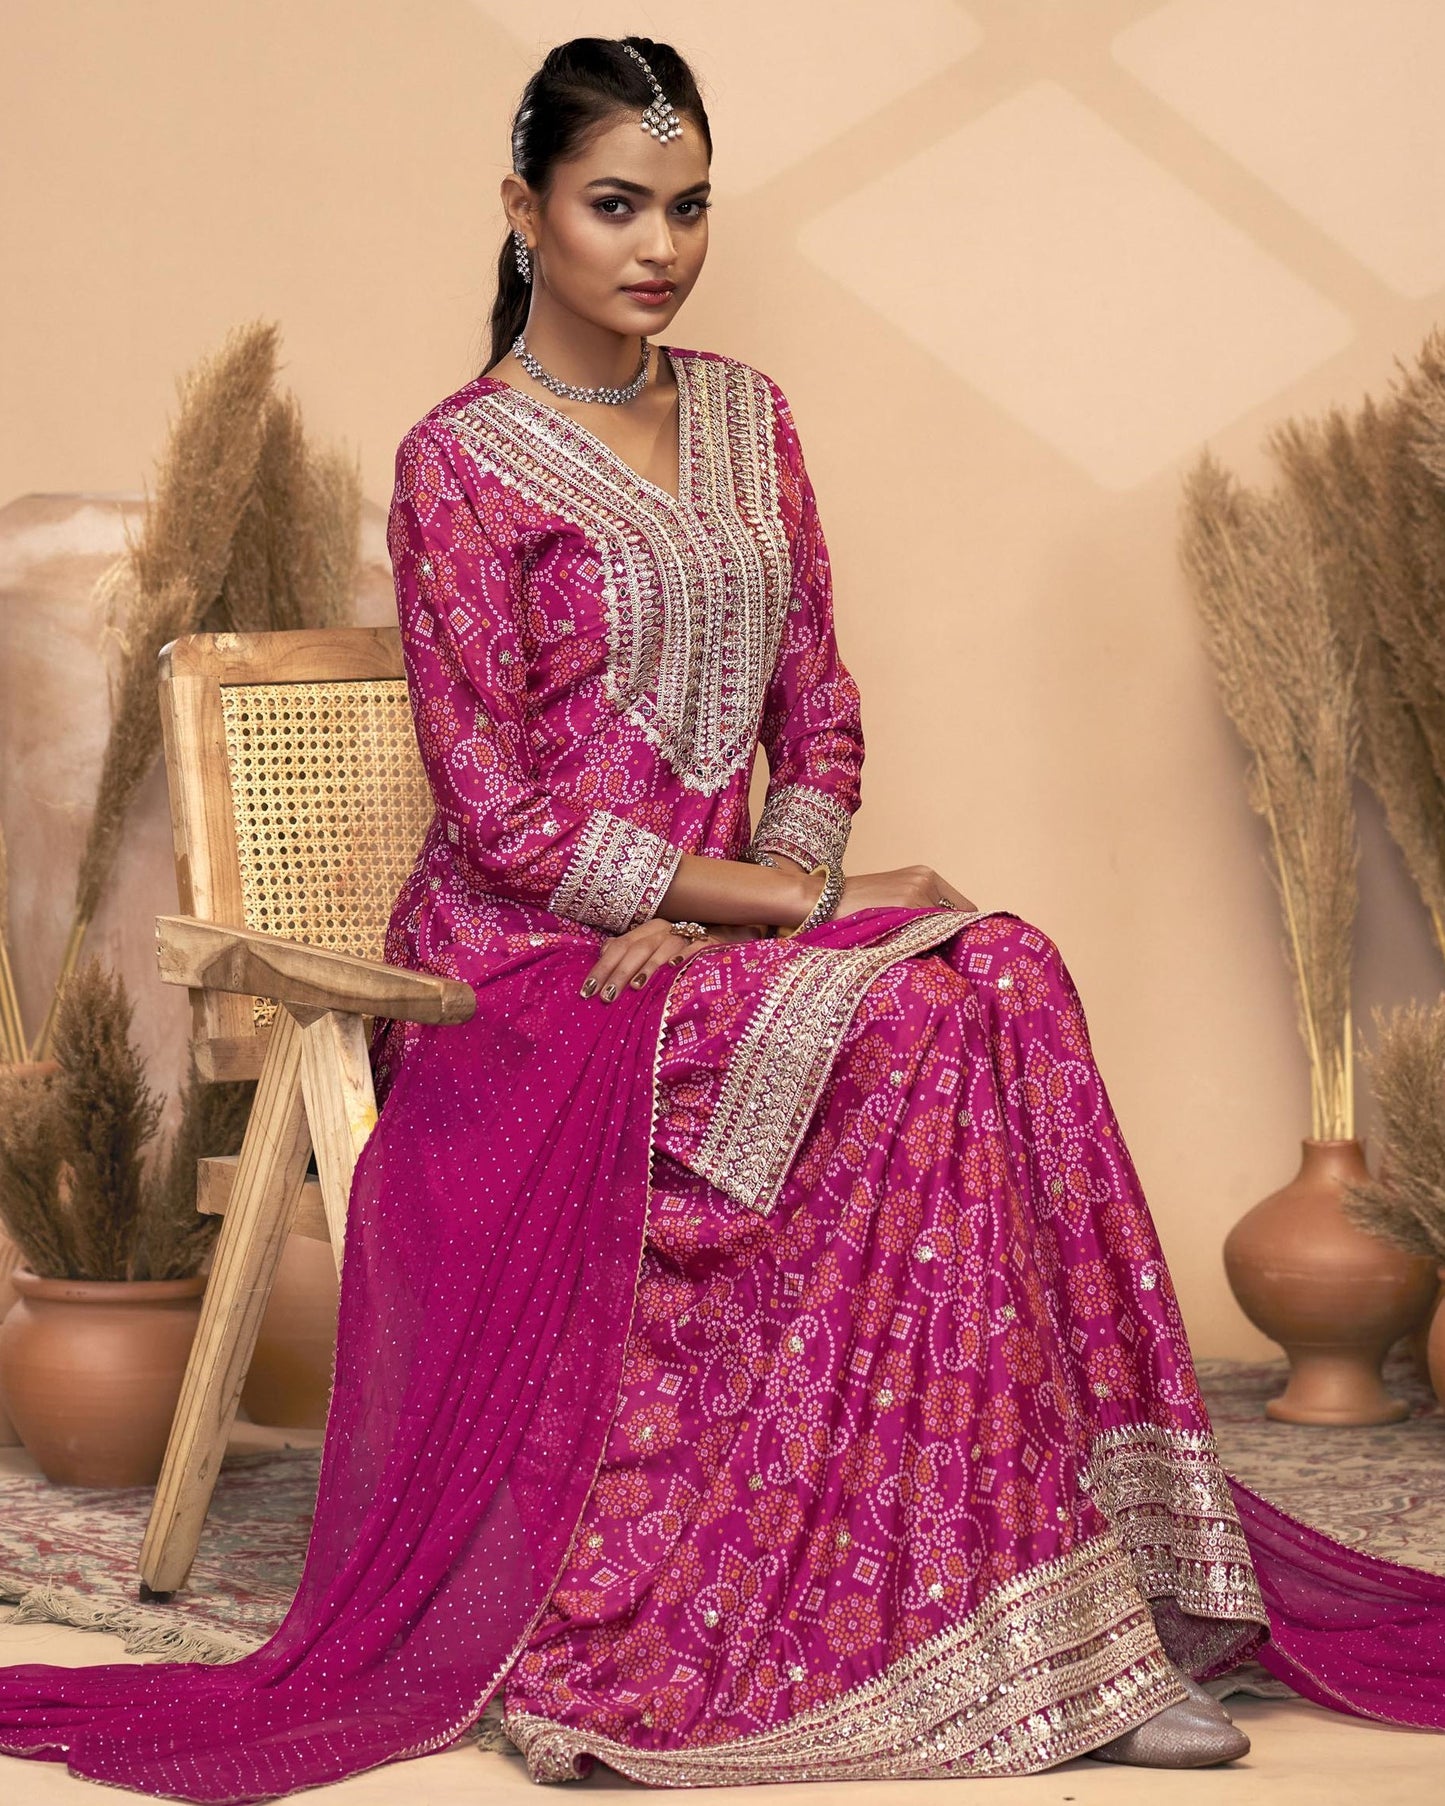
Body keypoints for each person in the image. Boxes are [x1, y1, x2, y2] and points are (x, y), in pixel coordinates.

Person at [1, 33, 1441, 1805]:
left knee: (1005, 970)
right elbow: (499, 811)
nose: (659, 246)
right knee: (917, 1016)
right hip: (527, 975)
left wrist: (767, 901)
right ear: (523, 209)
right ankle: (988, 1632)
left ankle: (1083, 1598)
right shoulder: (461, 461)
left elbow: (817, 708)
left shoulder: (751, 419)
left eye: (686, 208)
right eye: (616, 204)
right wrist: (763, 898)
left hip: (718, 952)